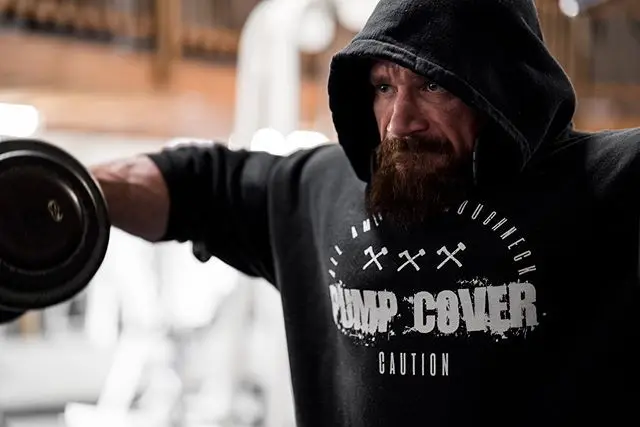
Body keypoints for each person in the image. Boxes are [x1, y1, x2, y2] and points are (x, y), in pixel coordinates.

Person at [90, 0, 640, 425]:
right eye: (384, 86)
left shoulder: (605, 181)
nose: (400, 122)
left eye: (432, 84)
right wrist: (66, 191)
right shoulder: (320, 190)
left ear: (500, 86)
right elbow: (196, 183)